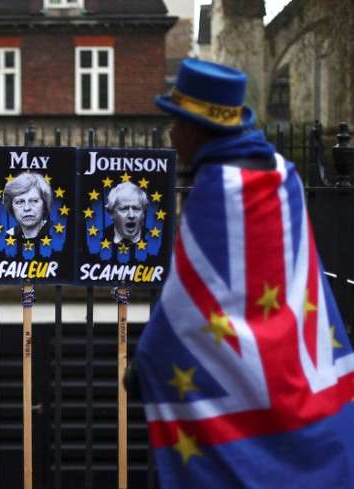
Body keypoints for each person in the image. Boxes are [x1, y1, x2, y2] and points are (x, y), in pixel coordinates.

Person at [128, 58, 354, 487]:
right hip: (295, 369)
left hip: (242, 384)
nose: (171, 135)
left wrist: (147, 361)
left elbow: (184, 304)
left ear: (196, 129)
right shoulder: (283, 174)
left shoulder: (218, 189)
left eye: (176, 124)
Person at [3, 172, 51, 239]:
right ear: (11, 207)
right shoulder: (8, 238)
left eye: (34, 201)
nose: (27, 208)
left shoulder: (57, 234)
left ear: (44, 205)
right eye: (20, 202)